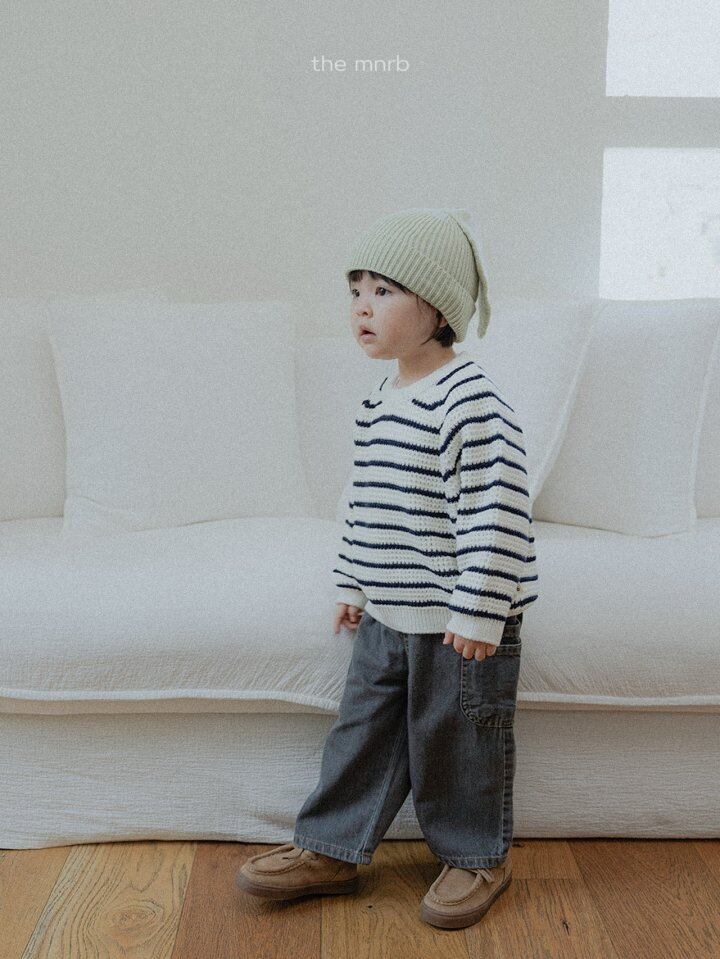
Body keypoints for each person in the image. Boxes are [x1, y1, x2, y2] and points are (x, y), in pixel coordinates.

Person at [236, 208, 539, 929]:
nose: (361, 307)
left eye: (383, 291)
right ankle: (332, 846)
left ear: (438, 308)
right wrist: (352, 581)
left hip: (458, 624)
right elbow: (365, 501)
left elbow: (497, 513)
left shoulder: (471, 401)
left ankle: (475, 854)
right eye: (355, 291)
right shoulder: (381, 399)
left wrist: (478, 611)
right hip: (387, 611)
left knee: (458, 737)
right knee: (362, 732)